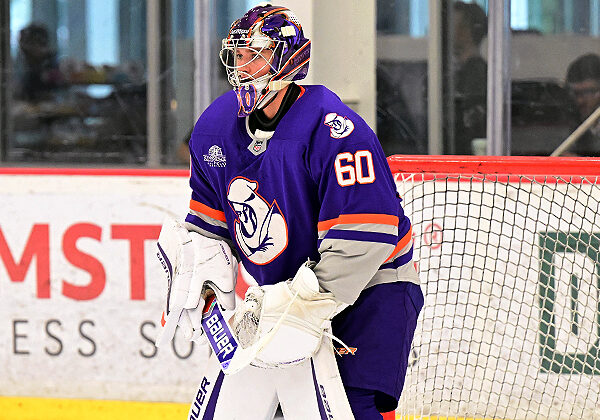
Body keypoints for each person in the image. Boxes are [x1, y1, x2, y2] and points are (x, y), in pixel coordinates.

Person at [155, 4, 423, 419]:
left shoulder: (336, 130)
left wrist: (305, 299)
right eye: (238, 55)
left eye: (255, 55)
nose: (242, 67)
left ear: (288, 59)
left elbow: (366, 236)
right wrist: (202, 277)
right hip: (280, 299)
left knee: (353, 407)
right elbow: (210, 225)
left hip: (370, 292)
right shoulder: (214, 128)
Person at [452, 1, 488, 155]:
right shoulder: (461, 70)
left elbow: (470, 125)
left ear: (466, 31)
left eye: (453, 26)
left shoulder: (475, 73)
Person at [562, 53, 600, 156]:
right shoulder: (568, 120)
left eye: (589, 92)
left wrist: (578, 161)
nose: (580, 101)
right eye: (575, 93)